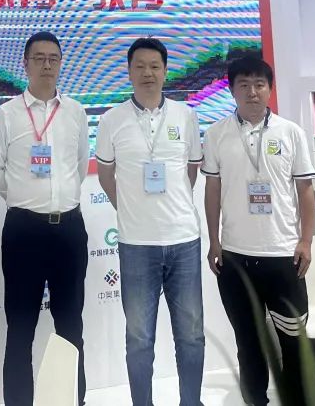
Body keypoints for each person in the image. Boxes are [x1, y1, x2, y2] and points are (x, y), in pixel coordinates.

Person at [96, 37, 205, 406]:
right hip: (136, 244)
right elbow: (106, 176)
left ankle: (191, 402)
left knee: (191, 335)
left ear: (165, 71)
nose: (148, 73)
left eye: (155, 66)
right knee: (139, 338)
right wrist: (130, 208)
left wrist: (172, 205)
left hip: (184, 240)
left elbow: (190, 172)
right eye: (140, 66)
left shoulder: (186, 116)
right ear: (129, 72)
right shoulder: (111, 120)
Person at [203, 56, 315, 406]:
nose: (251, 92)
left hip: (284, 256)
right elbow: (212, 190)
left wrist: (306, 241)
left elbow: (305, 190)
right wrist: (214, 241)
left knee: (293, 342)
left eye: (259, 84)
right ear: (232, 90)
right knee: (248, 343)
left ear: (269, 89)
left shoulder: (291, 132)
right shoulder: (216, 134)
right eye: (243, 85)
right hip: (236, 259)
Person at [0, 32, 91, 406]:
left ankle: (72, 400)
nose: (47, 65)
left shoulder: (76, 112)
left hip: (68, 230)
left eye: (53, 58)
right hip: (24, 231)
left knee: (71, 326)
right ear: (25, 64)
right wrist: (26, 200)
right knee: (20, 328)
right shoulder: (6, 114)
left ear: (60, 63)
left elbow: (80, 166)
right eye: (39, 58)